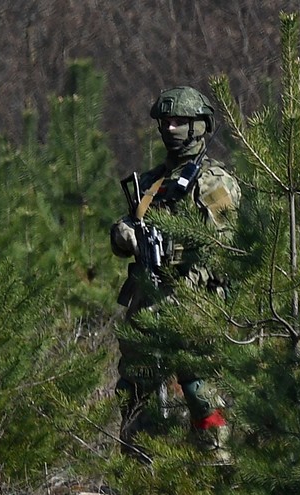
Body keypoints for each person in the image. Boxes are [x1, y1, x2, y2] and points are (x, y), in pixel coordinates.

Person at [109, 86, 240, 463]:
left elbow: (226, 244)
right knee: (136, 389)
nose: (171, 129)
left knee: (201, 391)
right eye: (166, 122)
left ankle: (215, 468)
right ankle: (140, 474)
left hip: (194, 302)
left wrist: (179, 255)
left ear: (200, 126)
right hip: (147, 304)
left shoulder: (214, 182)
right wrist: (124, 234)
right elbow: (126, 229)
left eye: (180, 121)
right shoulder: (150, 183)